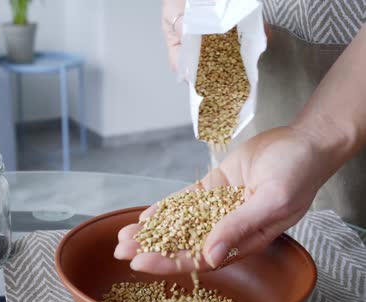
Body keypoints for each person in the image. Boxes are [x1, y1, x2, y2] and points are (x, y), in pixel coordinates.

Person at [115, 0, 366, 275]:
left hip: (352, 89)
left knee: (345, 249)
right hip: (253, 76)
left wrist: (316, 133)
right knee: (239, 220)